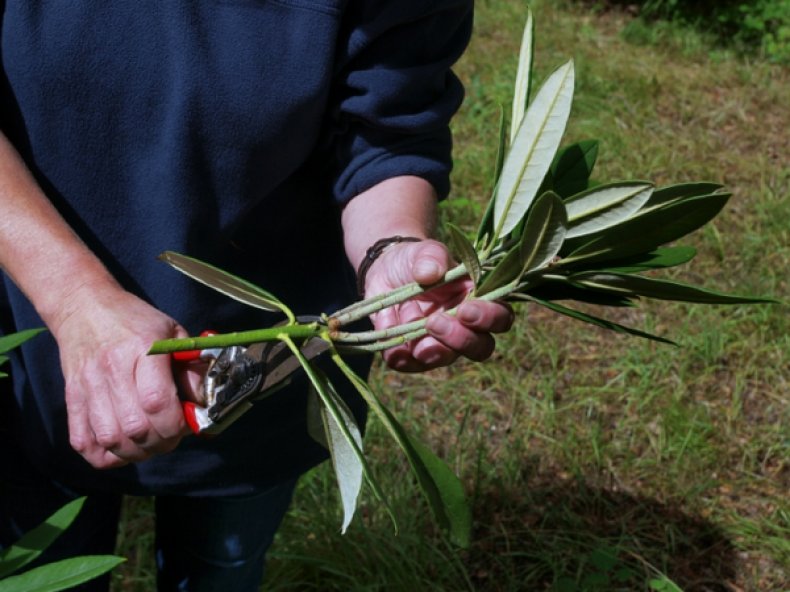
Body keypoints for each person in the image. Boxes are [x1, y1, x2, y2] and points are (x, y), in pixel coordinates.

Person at [0, 2, 512, 590]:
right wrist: (72, 298)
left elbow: (387, 129)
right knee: (44, 561)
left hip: (265, 388)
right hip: (29, 357)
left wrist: (389, 249)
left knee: (224, 566)